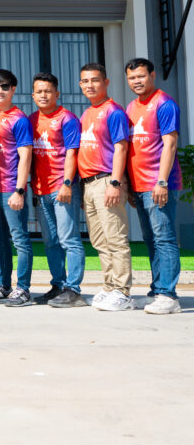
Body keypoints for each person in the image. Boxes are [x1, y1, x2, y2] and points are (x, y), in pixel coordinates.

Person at [124, 58, 182, 315]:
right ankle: (157, 292)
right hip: (139, 185)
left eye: (141, 76)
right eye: (132, 77)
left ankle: (169, 296)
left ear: (152, 75)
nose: (136, 81)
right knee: (151, 240)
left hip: (158, 184)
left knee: (164, 239)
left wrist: (161, 181)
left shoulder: (164, 103)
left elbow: (170, 144)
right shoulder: (132, 106)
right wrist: (129, 185)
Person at [78, 63, 133, 312]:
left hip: (107, 180)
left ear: (106, 82)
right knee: (100, 240)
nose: (90, 85)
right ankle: (110, 286)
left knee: (115, 238)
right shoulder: (87, 113)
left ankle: (122, 291)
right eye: (85, 81)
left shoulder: (114, 111)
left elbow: (121, 148)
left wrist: (115, 182)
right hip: (89, 184)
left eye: (95, 80)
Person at [30, 71, 85, 308]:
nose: (43, 95)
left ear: (57, 93)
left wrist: (67, 183)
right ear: (33, 95)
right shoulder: (31, 120)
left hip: (62, 188)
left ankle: (74, 290)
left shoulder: (67, 119)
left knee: (69, 239)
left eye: (48, 91)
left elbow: (73, 153)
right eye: (39, 91)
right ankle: (58, 285)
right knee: (50, 241)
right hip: (40, 190)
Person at [0, 69, 34, 307]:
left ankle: (23, 288)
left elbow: (26, 156)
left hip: (11, 188)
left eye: (5, 86)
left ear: (13, 89)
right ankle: (4, 285)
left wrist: (19, 190)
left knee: (20, 240)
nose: (0, 91)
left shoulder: (19, 119)